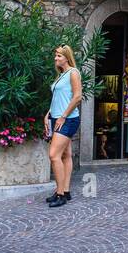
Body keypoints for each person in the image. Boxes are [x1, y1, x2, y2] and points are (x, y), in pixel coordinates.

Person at [44, 45, 83, 208]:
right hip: (57, 117)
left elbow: (77, 97)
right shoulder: (61, 75)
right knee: (66, 155)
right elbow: (59, 98)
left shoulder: (73, 73)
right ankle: (65, 190)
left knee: (54, 155)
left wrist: (63, 116)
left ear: (67, 57)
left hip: (67, 120)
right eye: (56, 55)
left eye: (59, 56)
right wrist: (49, 114)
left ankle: (60, 194)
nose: (56, 58)